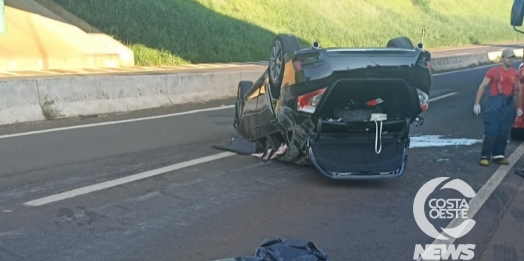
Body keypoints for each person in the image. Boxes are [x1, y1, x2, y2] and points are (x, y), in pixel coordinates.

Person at [474, 48, 523, 166]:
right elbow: (482, 86)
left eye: (512, 58)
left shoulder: (516, 73)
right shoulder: (493, 71)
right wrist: (477, 103)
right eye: (508, 57)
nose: (511, 60)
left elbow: (518, 91)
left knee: (504, 130)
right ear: (502, 58)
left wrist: (520, 107)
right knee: (491, 129)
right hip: (495, 103)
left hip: (509, 103)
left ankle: (498, 156)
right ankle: (485, 156)